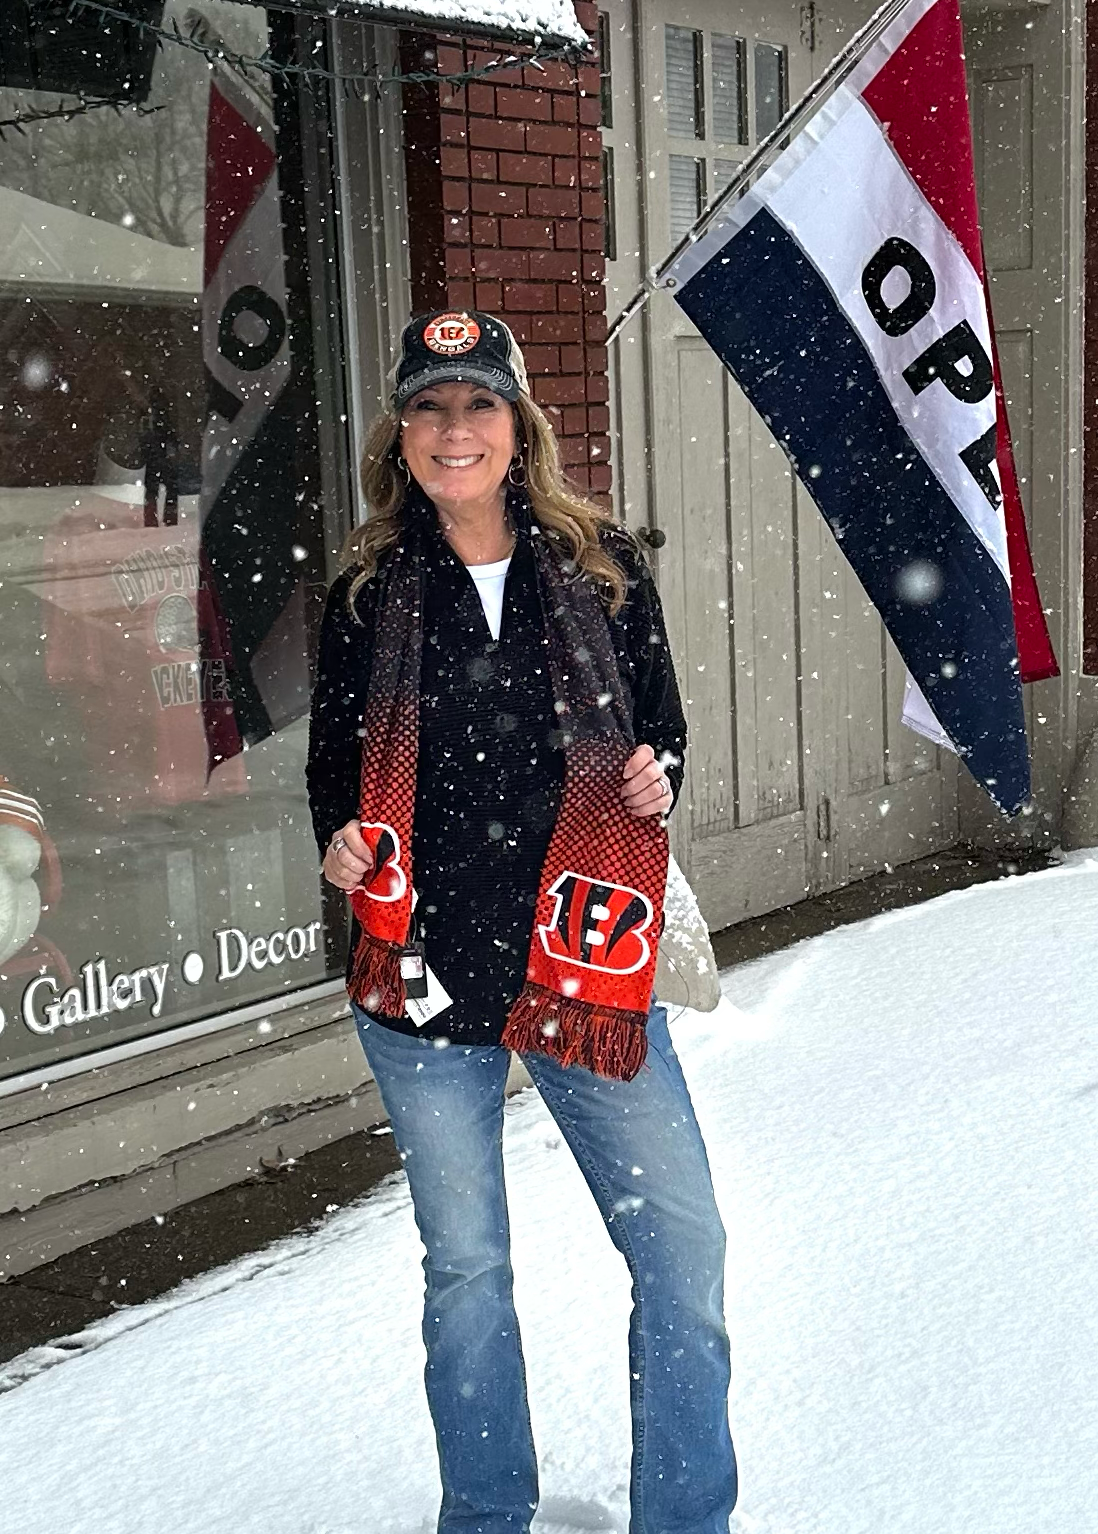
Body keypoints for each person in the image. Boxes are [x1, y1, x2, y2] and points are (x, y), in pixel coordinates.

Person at [306, 310, 737, 1534]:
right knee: (470, 1275)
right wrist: (339, 838)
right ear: (403, 431)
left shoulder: (599, 564)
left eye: (477, 403)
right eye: (430, 407)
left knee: (683, 1256)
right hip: (425, 980)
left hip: (584, 970)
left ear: (517, 424)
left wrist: (658, 775)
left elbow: (662, 731)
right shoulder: (370, 588)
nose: (454, 429)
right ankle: (487, 1516)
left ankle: (686, 1519)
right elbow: (336, 767)